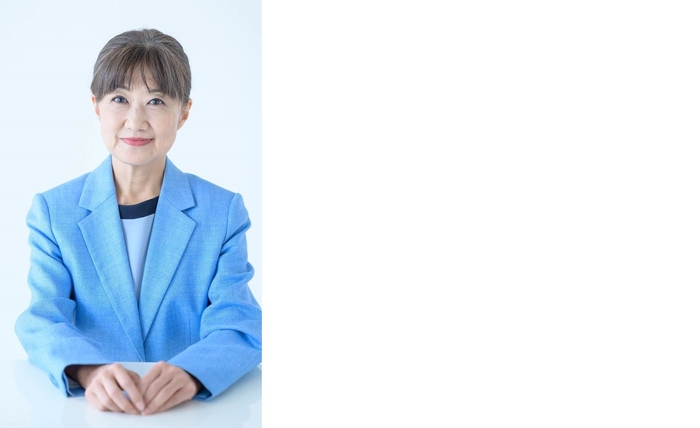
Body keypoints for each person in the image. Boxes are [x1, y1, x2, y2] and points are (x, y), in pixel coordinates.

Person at [14, 28, 262, 416]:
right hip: (91, 413)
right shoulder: (54, 211)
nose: (135, 121)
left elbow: (240, 322)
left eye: (156, 101)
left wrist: (193, 373)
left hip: (191, 413)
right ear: (97, 106)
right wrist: (89, 371)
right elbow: (42, 319)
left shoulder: (222, 211)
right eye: (120, 99)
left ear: (184, 113)